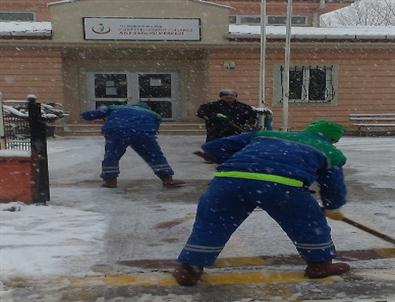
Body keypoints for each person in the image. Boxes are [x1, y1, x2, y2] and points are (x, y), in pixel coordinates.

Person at [173, 120, 351, 286]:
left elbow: (214, 147)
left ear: (309, 129)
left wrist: (227, 159)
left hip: (227, 182)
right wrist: (332, 206)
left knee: (212, 224)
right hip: (283, 187)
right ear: (332, 139)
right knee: (308, 223)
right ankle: (319, 265)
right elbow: (333, 186)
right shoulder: (330, 152)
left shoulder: (266, 134)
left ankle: (190, 269)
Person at [81, 102, 185, 188]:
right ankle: (167, 179)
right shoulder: (153, 114)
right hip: (143, 132)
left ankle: (110, 181)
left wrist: (85, 115)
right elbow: (155, 128)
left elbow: (97, 112)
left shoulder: (117, 107)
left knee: (112, 155)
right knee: (154, 155)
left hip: (117, 130)